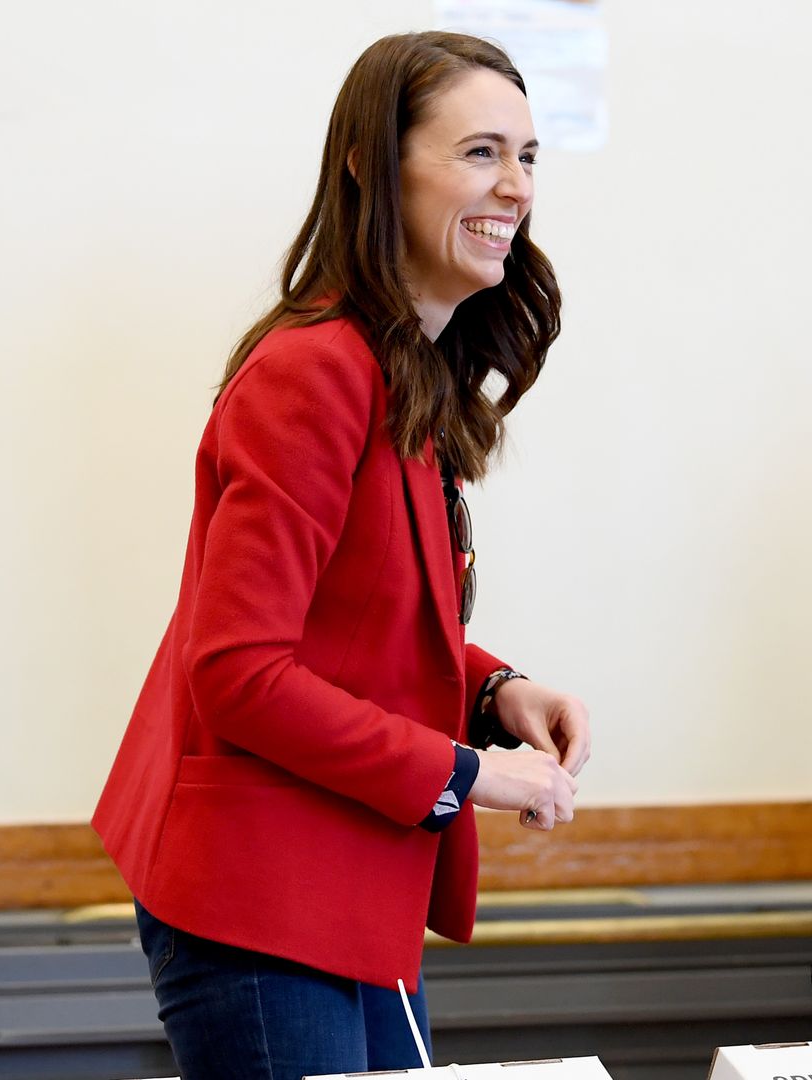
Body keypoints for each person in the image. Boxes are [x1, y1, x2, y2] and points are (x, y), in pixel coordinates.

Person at [91, 31, 592, 1080]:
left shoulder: (397, 370)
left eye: (530, 157)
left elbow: (361, 621)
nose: (514, 187)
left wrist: (494, 687)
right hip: (262, 899)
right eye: (481, 152)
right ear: (373, 164)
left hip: (350, 890)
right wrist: (471, 776)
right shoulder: (314, 371)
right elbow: (239, 674)